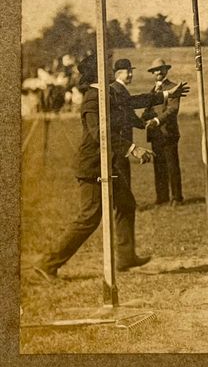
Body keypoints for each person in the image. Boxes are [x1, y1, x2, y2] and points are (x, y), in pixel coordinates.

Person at [33, 54, 189, 280]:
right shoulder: (91, 99)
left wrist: (167, 94)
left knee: (126, 204)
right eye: (105, 68)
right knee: (90, 218)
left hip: (107, 164)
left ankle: (125, 256)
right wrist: (133, 148)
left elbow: (132, 101)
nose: (110, 70)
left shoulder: (107, 94)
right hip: (92, 167)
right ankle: (48, 264)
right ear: (97, 73)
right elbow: (100, 134)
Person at [142, 58, 185, 205]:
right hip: (155, 135)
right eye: (155, 70)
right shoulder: (152, 91)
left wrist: (156, 121)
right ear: (152, 73)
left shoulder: (174, 87)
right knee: (158, 166)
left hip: (168, 133)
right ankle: (162, 198)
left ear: (166, 70)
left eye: (161, 69)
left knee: (172, 166)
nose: (158, 72)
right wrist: (143, 118)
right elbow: (147, 111)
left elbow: (173, 110)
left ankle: (177, 198)